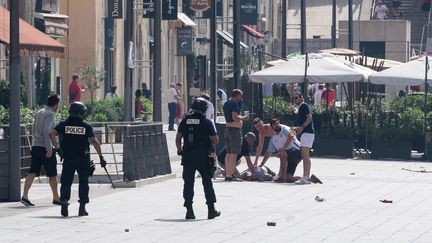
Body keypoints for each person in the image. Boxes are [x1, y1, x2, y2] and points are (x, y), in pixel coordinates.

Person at [49, 102, 107, 217]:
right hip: (83, 159)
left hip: (68, 158)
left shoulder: (63, 124)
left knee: (66, 182)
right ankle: (82, 208)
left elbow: (51, 134)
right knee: (83, 183)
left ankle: (64, 201)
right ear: (81, 113)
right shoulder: (86, 126)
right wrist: (101, 157)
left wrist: (58, 148)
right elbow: (94, 141)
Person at [175, 97, 221, 220]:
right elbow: (215, 140)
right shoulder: (207, 122)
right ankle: (211, 210)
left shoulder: (185, 121)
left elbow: (178, 138)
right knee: (207, 182)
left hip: (188, 156)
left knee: (188, 183)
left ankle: (189, 211)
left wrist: (179, 150)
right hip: (203, 157)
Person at [21, 94, 61, 207]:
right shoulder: (50, 114)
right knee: (52, 174)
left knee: (32, 171)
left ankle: (24, 196)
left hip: (36, 146)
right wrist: (49, 148)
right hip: (45, 148)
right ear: (56, 104)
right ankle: (56, 197)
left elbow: (34, 129)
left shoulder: (39, 112)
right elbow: (47, 131)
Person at [258, 118, 302, 183]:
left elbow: (292, 134)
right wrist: (261, 164)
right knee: (289, 178)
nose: (276, 125)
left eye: (277, 123)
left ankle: (283, 177)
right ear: (272, 127)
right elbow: (268, 152)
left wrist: (283, 148)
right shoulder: (273, 139)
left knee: (282, 153)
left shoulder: (285, 129)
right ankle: (309, 179)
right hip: (289, 158)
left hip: (297, 152)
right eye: (274, 125)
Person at [223, 89, 249, 181]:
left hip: (227, 129)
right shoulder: (234, 103)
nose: (241, 98)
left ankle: (228, 173)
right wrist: (244, 118)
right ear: (237, 95)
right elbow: (235, 117)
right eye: (240, 96)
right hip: (234, 130)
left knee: (228, 153)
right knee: (234, 153)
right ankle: (230, 175)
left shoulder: (226, 103)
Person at [293, 92, 315, 184]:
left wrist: (301, 127)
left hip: (307, 133)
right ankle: (306, 176)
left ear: (301, 97)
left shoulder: (304, 106)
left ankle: (305, 176)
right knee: (305, 155)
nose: (295, 100)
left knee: (305, 155)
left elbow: (309, 117)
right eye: (293, 98)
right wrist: (297, 128)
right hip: (306, 133)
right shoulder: (300, 107)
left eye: (296, 98)